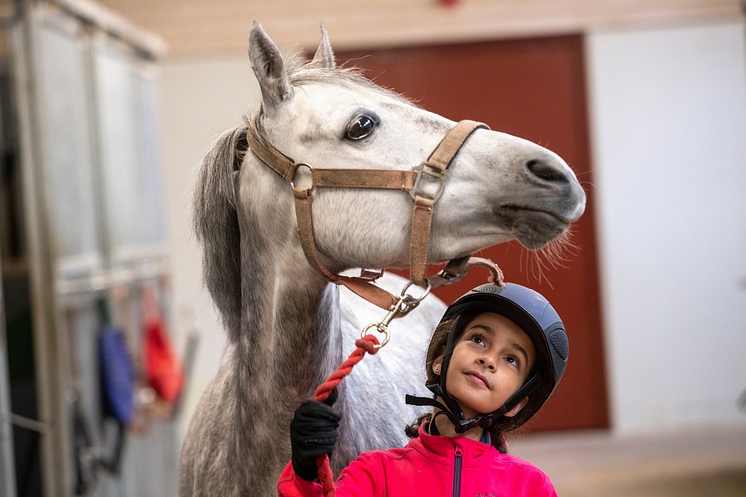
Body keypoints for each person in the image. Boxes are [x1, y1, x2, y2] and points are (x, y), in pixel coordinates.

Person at [278, 282, 570, 497]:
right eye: (479, 340)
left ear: (518, 402)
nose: (488, 359)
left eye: (511, 360)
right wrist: (306, 473)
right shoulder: (376, 474)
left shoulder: (530, 487)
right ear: (442, 359)